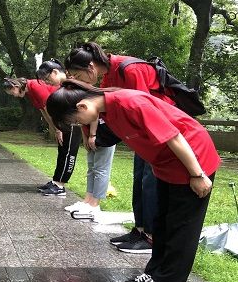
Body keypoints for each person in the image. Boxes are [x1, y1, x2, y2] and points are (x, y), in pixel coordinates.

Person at [45, 80, 219, 282]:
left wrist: (197, 174)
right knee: (162, 222)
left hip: (192, 158)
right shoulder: (110, 109)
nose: (79, 125)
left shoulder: (129, 103)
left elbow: (174, 136)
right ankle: (155, 274)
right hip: (167, 164)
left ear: (82, 107)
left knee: (181, 225)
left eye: (75, 121)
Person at [65, 42, 174, 254]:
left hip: (160, 128)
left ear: (90, 67)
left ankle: (152, 236)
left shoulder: (128, 69)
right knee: (138, 177)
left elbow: (144, 108)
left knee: (149, 180)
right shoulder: (108, 75)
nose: (79, 81)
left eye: (77, 76)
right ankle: (140, 229)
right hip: (142, 133)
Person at [37, 59, 116, 218]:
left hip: (104, 131)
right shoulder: (71, 88)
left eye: (76, 74)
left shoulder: (79, 89)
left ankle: (95, 205)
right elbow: (82, 118)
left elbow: (94, 112)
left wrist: (92, 134)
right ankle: (88, 201)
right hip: (92, 132)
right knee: (92, 166)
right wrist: (87, 136)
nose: (74, 77)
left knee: (100, 168)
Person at [3, 77, 81, 196]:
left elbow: (49, 109)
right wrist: (55, 128)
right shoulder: (31, 91)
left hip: (71, 118)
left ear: (16, 86)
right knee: (62, 151)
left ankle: (60, 187)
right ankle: (56, 182)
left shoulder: (35, 86)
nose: (14, 96)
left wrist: (58, 128)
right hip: (61, 120)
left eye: (12, 93)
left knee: (68, 152)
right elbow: (44, 112)